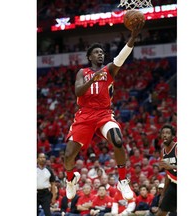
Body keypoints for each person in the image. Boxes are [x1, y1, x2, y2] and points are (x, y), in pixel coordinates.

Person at [64, 23, 144, 201]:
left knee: (118, 140)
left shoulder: (109, 70)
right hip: (84, 115)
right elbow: (78, 92)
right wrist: (93, 78)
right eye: (97, 52)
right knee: (68, 156)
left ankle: (122, 180)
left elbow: (121, 57)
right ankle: (70, 179)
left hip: (103, 114)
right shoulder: (82, 72)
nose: (100, 54)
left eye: (102, 52)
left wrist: (133, 37)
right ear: (89, 56)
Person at [156, 125, 177, 216]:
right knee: (161, 213)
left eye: (168, 133)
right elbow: (167, 175)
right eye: (163, 133)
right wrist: (163, 194)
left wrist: (171, 167)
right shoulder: (163, 152)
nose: (165, 135)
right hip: (174, 184)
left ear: (173, 137)